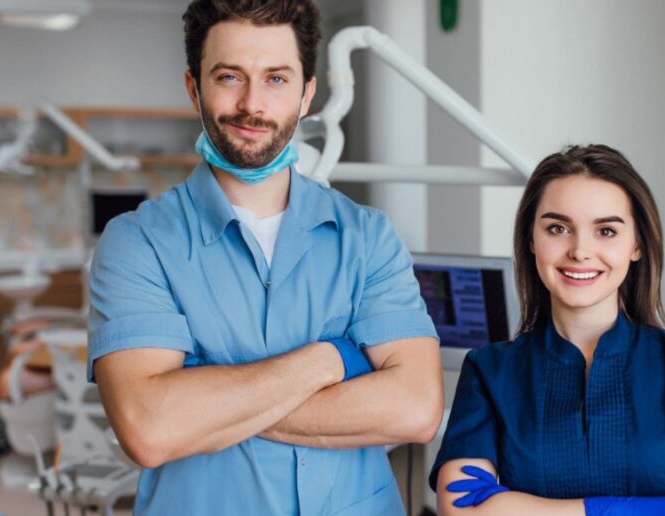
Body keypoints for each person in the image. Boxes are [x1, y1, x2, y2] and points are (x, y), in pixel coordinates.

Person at [88, 1, 443, 514]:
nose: (252, 104)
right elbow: (151, 429)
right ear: (194, 88)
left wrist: (210, 404)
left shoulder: (367, 237)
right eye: (230, 76)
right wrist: (333, 359)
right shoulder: (136, 243)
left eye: (276, 79)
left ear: (307, 94)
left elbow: (415, 407)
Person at [430, 145, 665, 515]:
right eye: (558, 228)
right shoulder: (489, 371)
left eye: (606, 231)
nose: (580, 250)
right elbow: (463, 509)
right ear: (531, 240)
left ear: (636, 245)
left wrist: (515, 506)